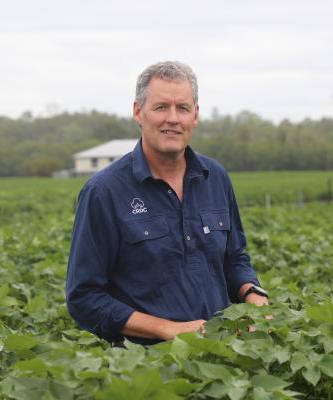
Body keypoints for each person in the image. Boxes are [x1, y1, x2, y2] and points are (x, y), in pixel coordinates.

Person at [66, 61, 268, 345]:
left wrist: (252, 294)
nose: (173, 118)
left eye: (182, 108)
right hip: (146, 366)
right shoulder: (104, 192)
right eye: (161, 107)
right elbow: (84, 298)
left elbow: (235, 258)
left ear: (195, 116)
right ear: (139, 112)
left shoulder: (216, 178)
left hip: (224, 355)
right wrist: (166, 329)